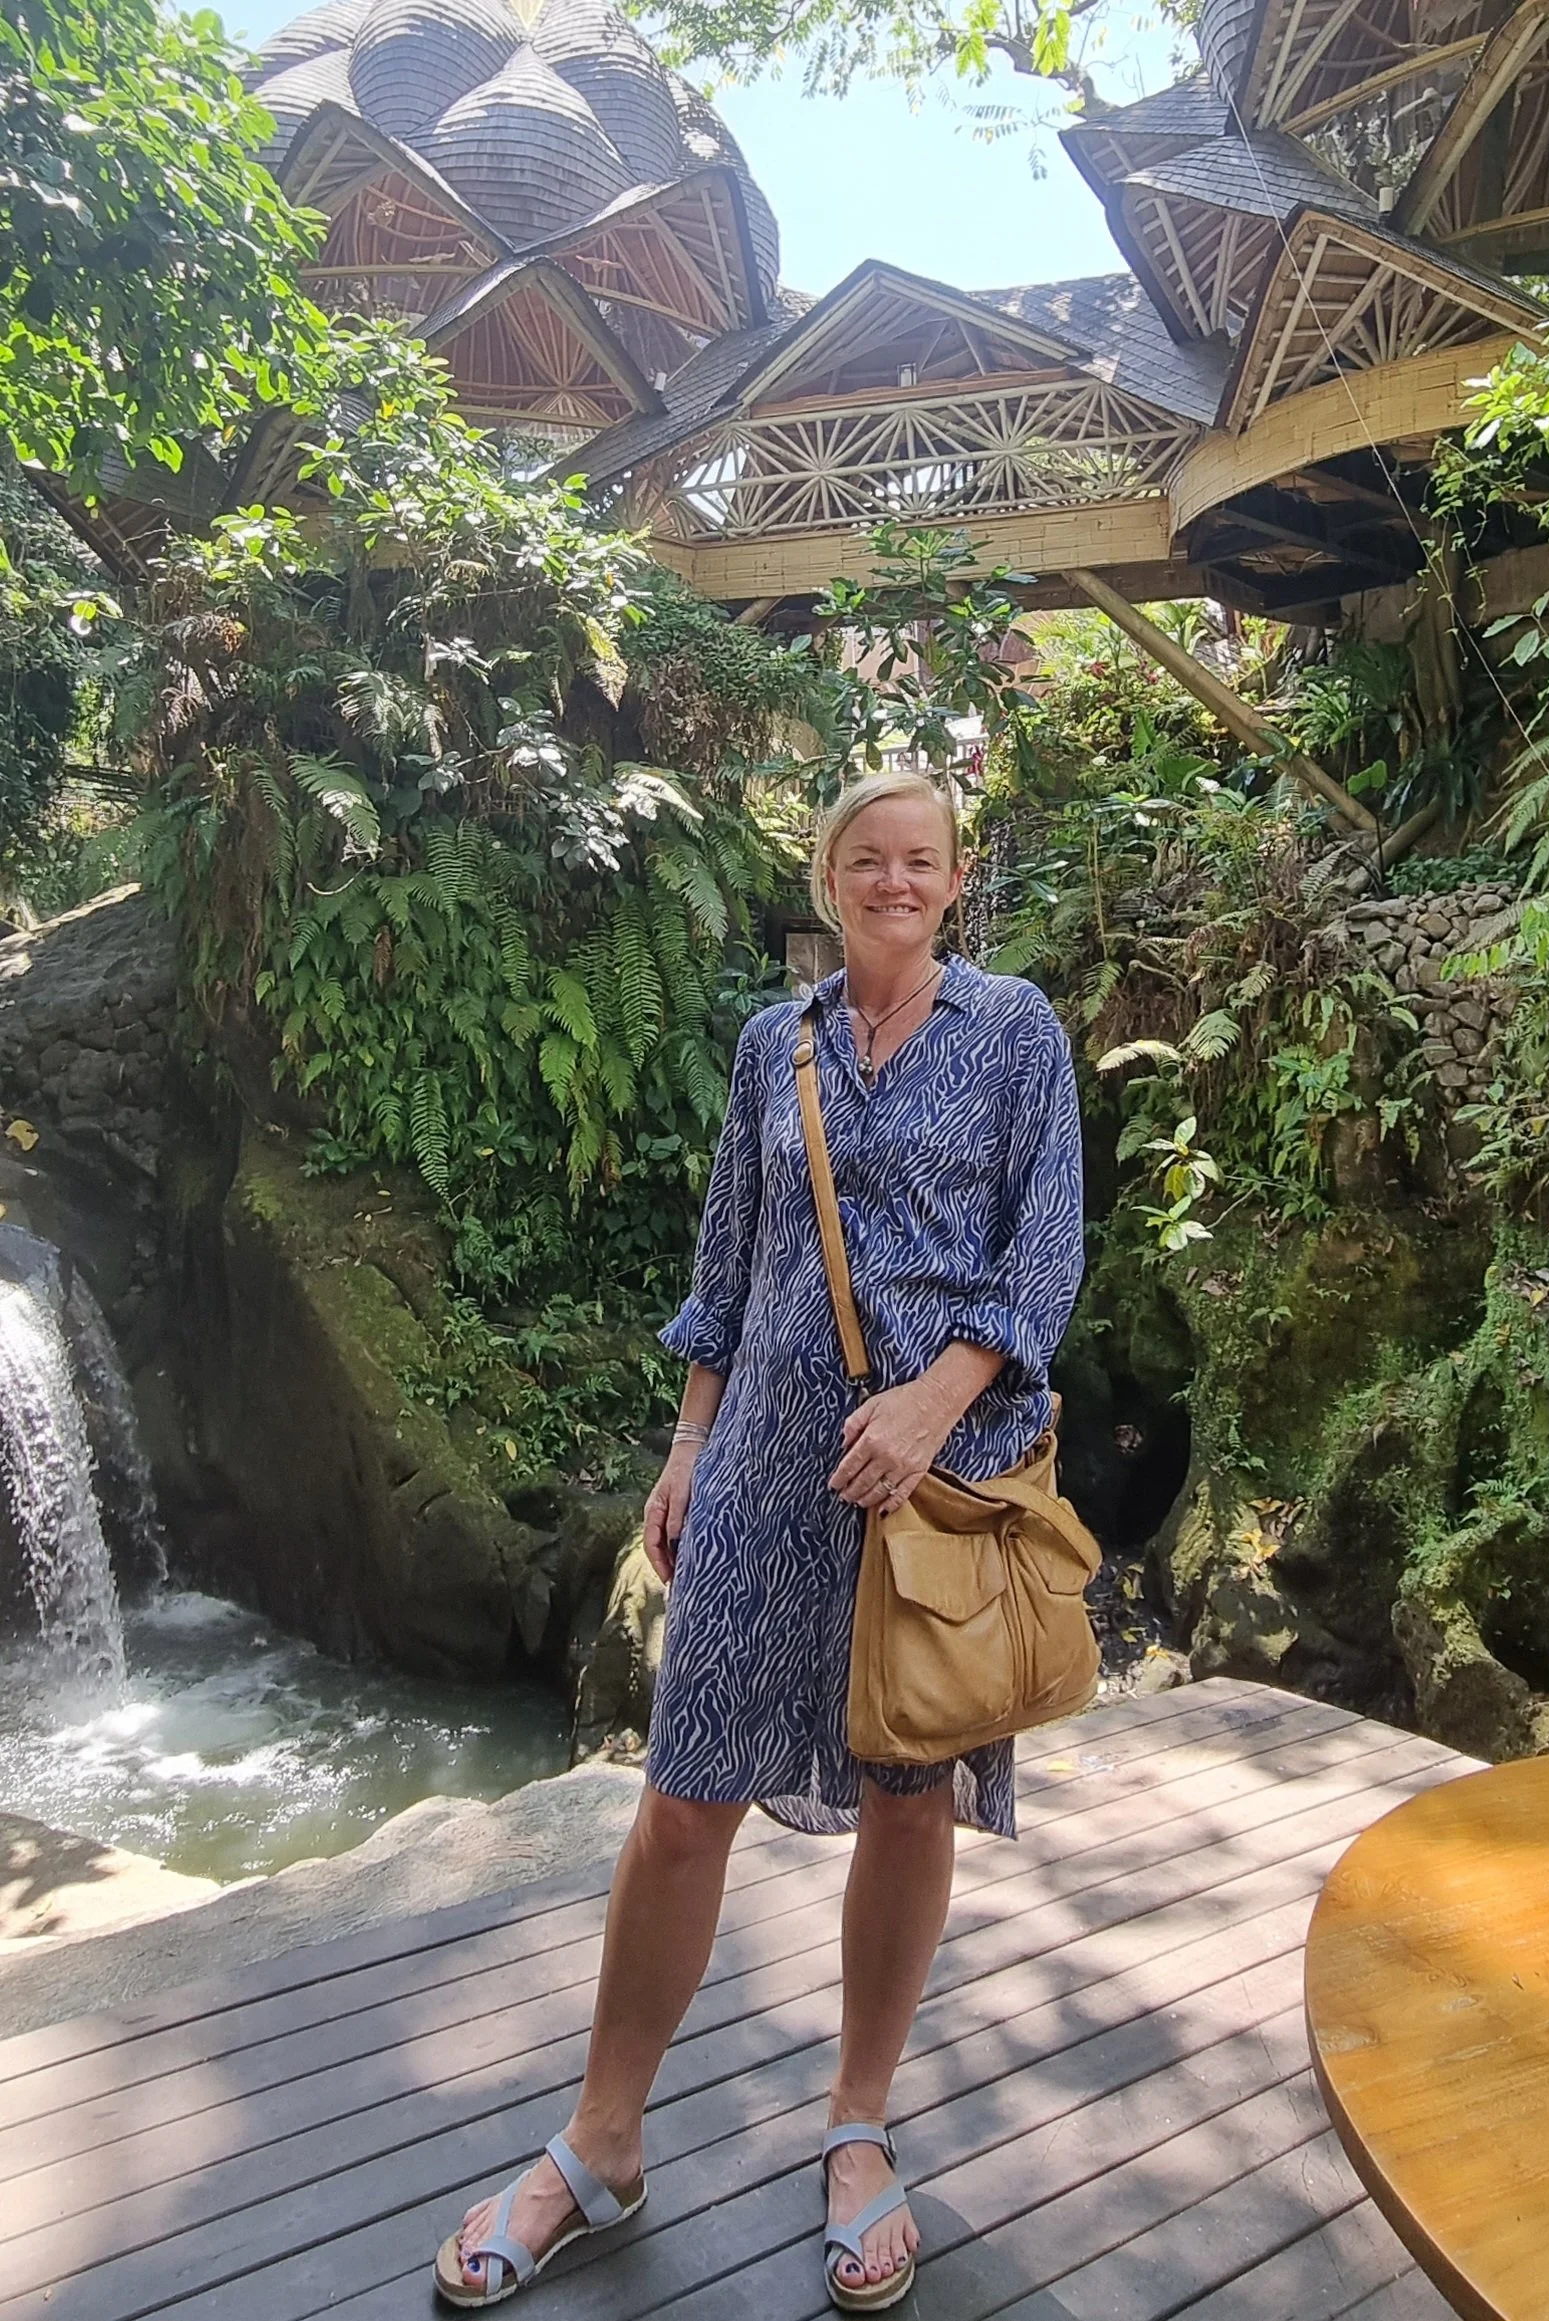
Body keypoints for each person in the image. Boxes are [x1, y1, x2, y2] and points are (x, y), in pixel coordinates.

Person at [434, 768, 1085, 2313]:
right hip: (764, 1471)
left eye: (919, 859)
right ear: (828, 876)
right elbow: (731, 1250)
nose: (893, 881)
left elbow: (1046, 1247)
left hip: (929, 1485)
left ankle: (859, 2132)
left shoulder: (1015, 1036)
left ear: (955, 875)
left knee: (907, 1796)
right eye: (866, 859)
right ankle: (601, 2145)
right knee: (680, 1803)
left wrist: (936, 1402)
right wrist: (685, 1440)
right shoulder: (768, 1046)